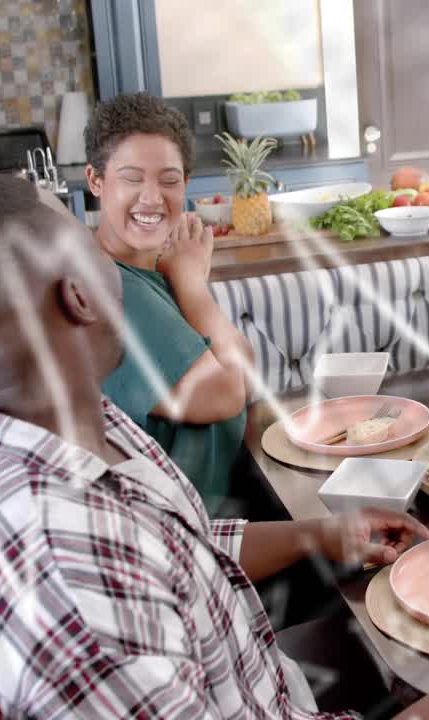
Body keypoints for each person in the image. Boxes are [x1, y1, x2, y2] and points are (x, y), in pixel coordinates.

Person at [0, 176, 429, 719]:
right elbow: (111, 578)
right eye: (87, 237)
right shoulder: (66, 583)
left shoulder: (42, 424)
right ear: (78, 297)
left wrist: (319, 534)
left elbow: (163, 545)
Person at [85, 92, 254, 515]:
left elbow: (245, 368)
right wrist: (192, 284)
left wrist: (183, 278)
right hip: (184, 533)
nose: (152, 198)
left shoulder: (146, 269)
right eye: (131, 178)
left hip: (222, 501)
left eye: (169, 180)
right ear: (95, 181)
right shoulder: (110, 288)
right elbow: (229, 392)